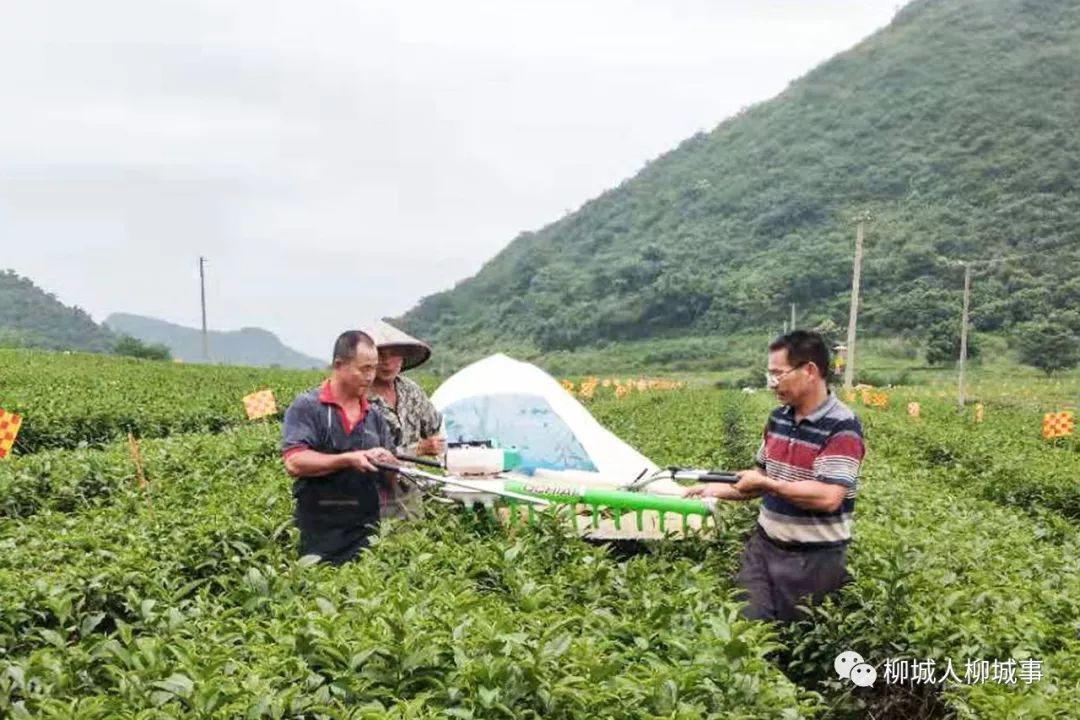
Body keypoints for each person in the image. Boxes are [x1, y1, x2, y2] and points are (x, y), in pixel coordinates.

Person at [686, 330, 865, 622]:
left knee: (794, 645)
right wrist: (714, 489)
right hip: (764, 547)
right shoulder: (778, 418)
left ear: (809, 371)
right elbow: (761, 477)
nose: (772, 383)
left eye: (778, 374)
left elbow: (830, 496)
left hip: (815, 561)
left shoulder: (842, 426)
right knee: (746, 632)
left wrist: (768, 484)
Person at [281, 330, 398, 564]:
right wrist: (348, 459)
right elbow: (294, 462)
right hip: (318, 533)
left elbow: (391, 482)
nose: (370, 376)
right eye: (364, 368)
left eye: (373, 368)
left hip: (365, 534)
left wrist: (391, 465)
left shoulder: (375, 415)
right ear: (339, 365)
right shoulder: (308, 407)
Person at [364, 320, 445, 520]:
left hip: (412, 488)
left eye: (393, 355)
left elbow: (434, 429)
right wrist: (418, 449)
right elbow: (367, 456)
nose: (387, 362)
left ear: (402, 358)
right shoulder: (359, 398)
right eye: (380, 355)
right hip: (372, 493)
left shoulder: (411, 390)